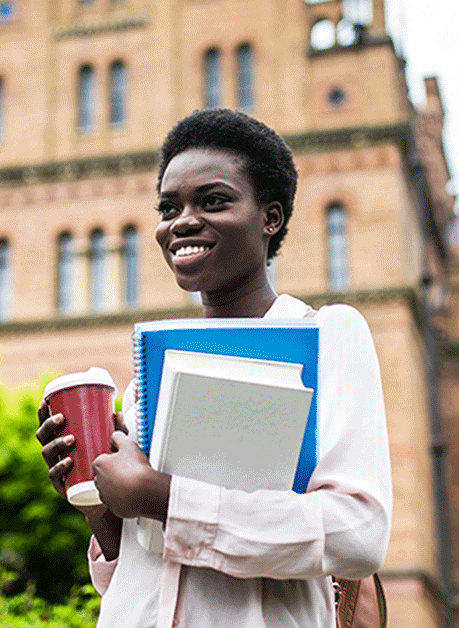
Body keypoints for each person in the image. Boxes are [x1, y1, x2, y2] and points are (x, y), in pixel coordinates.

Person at [36, 108, 392, 628]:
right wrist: (99, 501)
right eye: (168, 207)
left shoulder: (326, 336)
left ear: (270, 217)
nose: (182, 221)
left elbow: (358, 533)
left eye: (214, 201)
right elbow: (139, 574)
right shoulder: (148, 375)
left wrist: (161, 497)